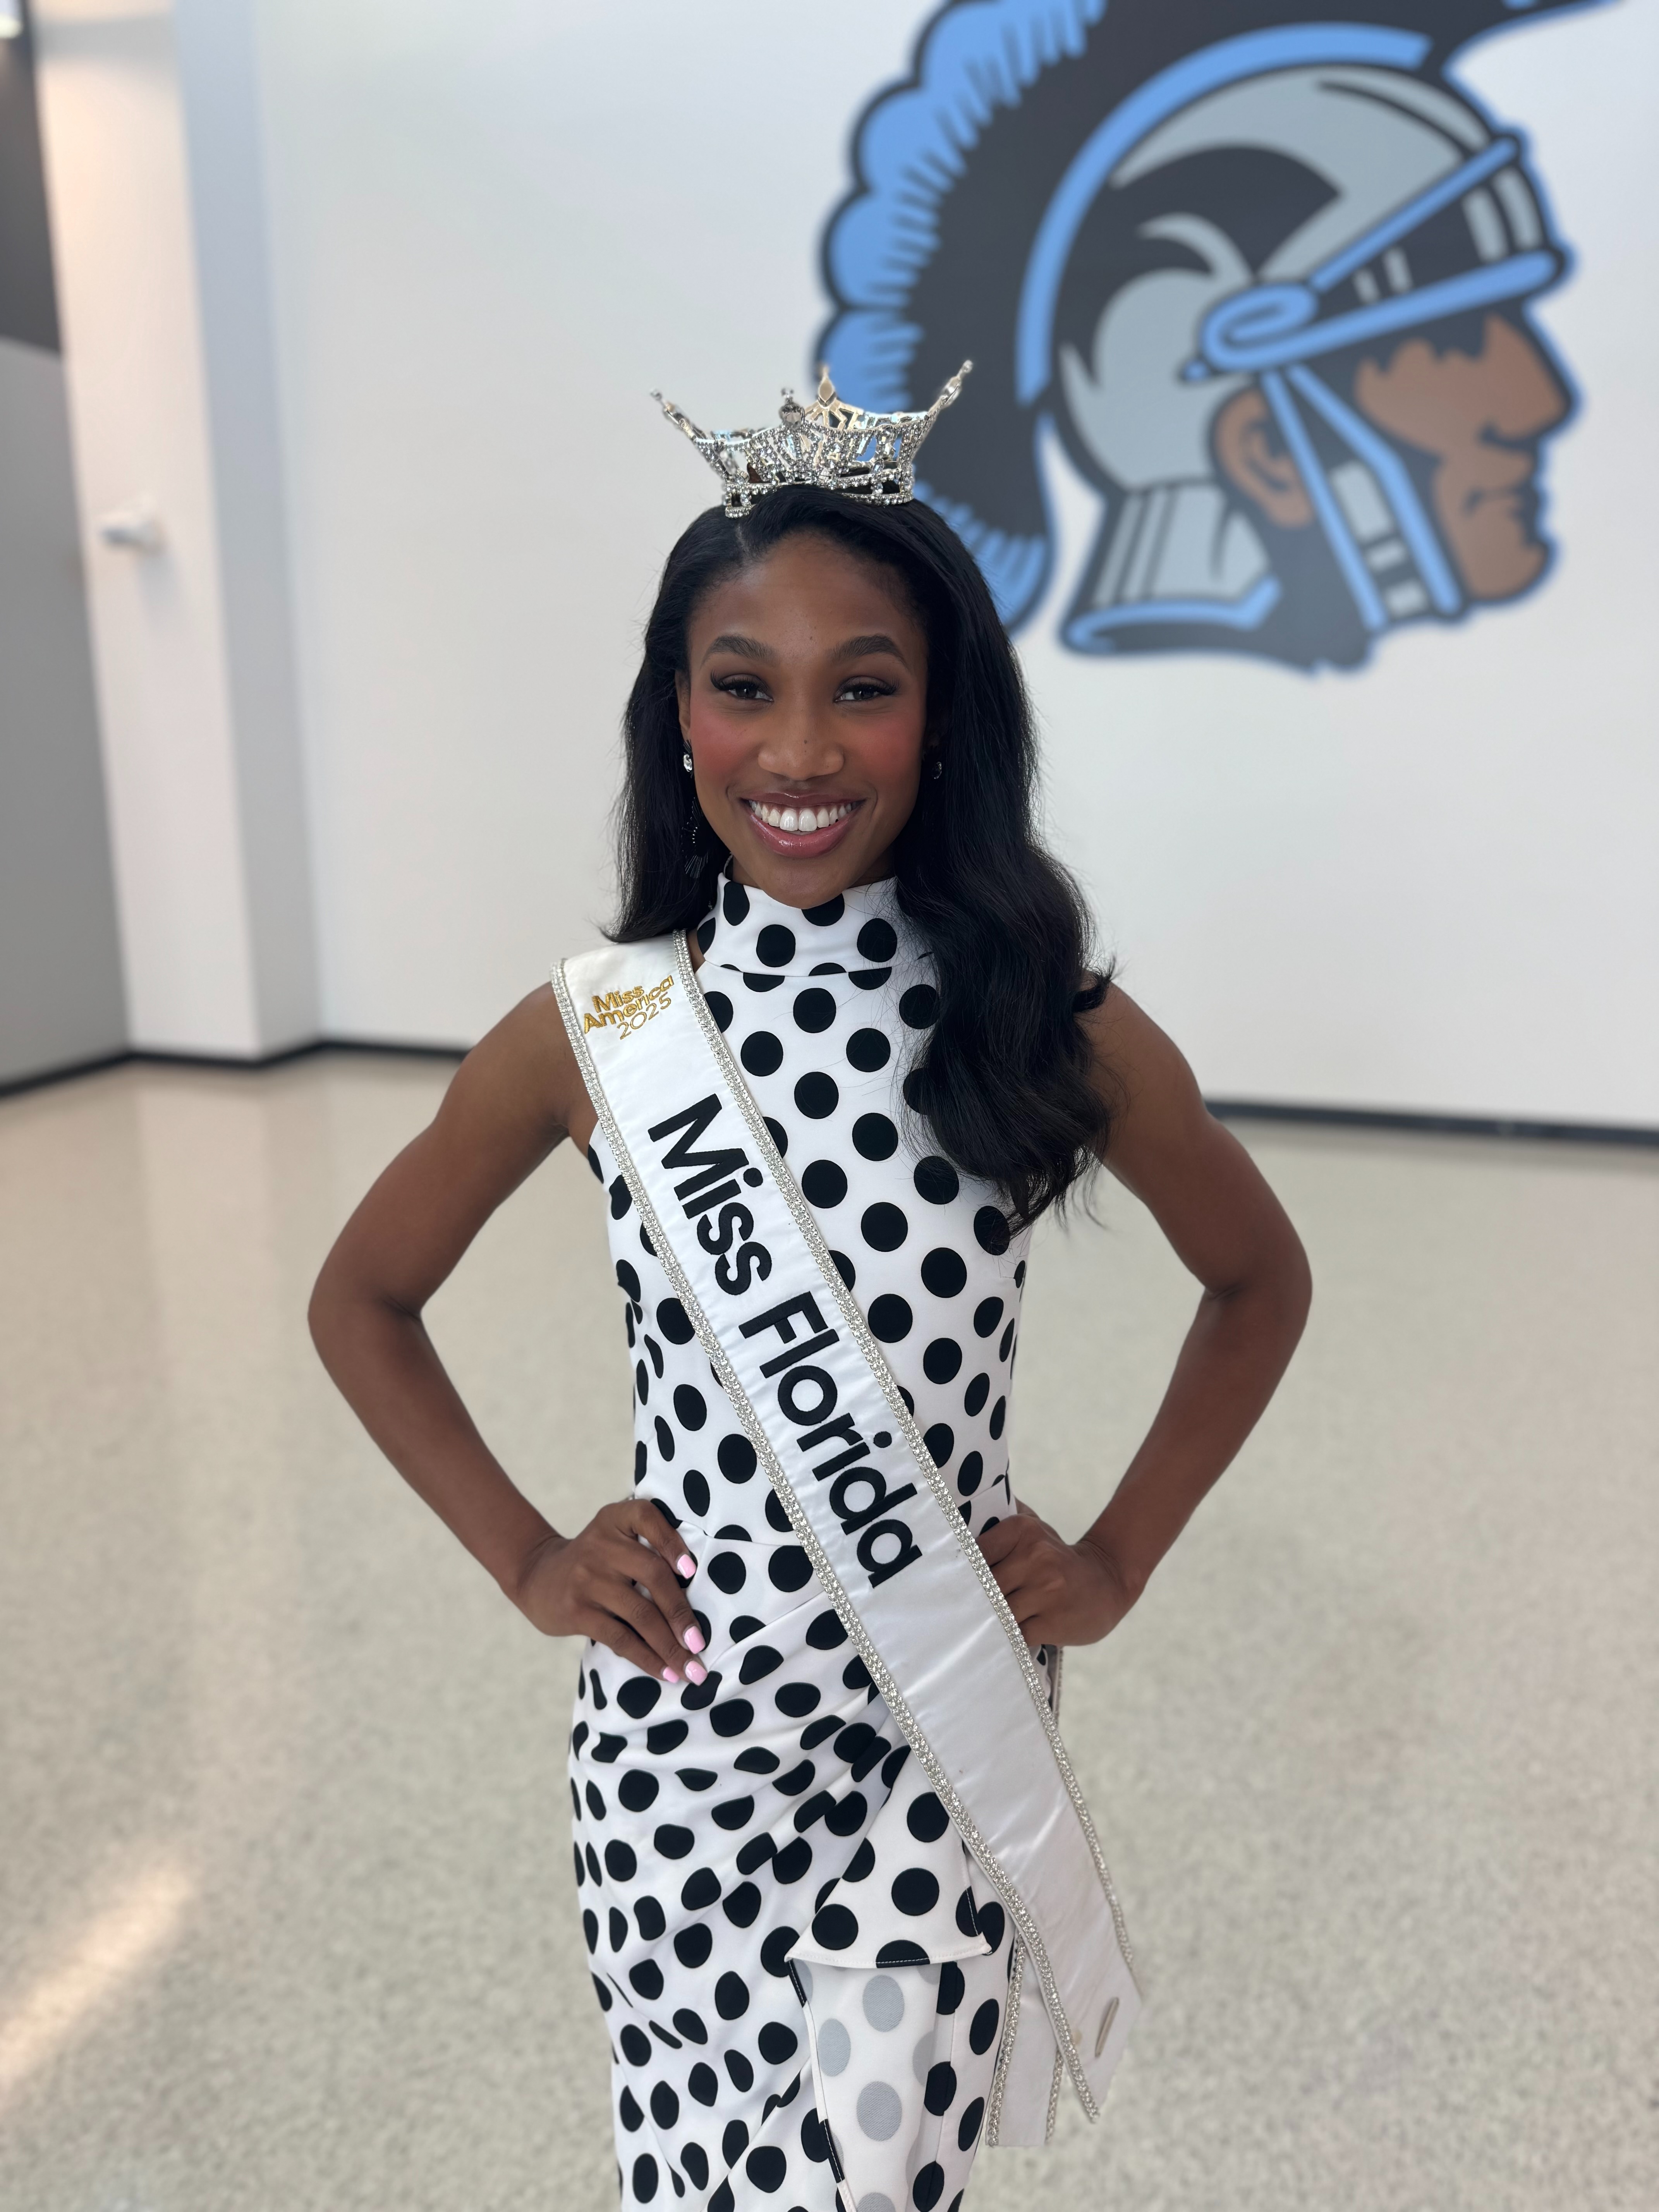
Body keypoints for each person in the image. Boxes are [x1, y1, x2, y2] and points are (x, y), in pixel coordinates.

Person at [309, 373, 1312, 2212]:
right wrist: (533, 1560)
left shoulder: (1038, 1017)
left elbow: (1258, 1279)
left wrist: (1118, 1560)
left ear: (944, 718)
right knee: (692, 2178)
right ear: (675, 712)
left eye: (864, 684)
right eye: (742, 685)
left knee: (863, 2181)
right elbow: (362, 1297)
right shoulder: (600, 1032)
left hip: (939, 1725)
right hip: (683, 1736)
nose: (799, 748)